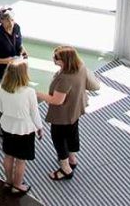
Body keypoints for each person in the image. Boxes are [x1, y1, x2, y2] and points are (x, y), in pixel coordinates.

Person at [37, 46, 100, 181]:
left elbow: (57, 100)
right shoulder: (81, 67)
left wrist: (37, 94)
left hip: (62, 115)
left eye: (56, 58)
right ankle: (72, 159)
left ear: (65, 60)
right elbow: (92, 85)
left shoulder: (64, 78)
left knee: (59, 139)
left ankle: (65, 169)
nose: (53, 60)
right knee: (72, 133)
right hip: (76, 109)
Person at [0, 59, 42, 196]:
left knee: (8, 156)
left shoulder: (2, 87)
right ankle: (17, 185)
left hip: (7, 126)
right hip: (24, 129)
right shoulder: (29, 91)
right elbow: (35, 113)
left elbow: (0, 107)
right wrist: (39, 127)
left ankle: (8, 181)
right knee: (20, 160)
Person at [0, 7, 28, 136]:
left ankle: (11, 123)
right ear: (1, 21)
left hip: (16, 71)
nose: (11, 23)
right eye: (7, 21)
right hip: (2, 73)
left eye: (12, 20)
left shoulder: (17, 28)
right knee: (2, 101)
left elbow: (19, 44)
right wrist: (5, 61)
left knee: (15, 99)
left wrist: (23, 51)